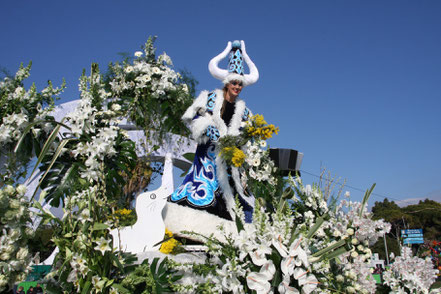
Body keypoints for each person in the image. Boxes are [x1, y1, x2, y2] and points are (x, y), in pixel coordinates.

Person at [170, 40, 259, 223]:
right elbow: (191, 117)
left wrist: (240, 140)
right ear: (227, 83)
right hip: (207, 160)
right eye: (234, 83)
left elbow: (250, 135)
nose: (237, 87)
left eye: (240, 84)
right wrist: (207, 127)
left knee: (236, 203)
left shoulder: (245, 111)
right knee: (203, 197)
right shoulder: (210, 98)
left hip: (230, 163)